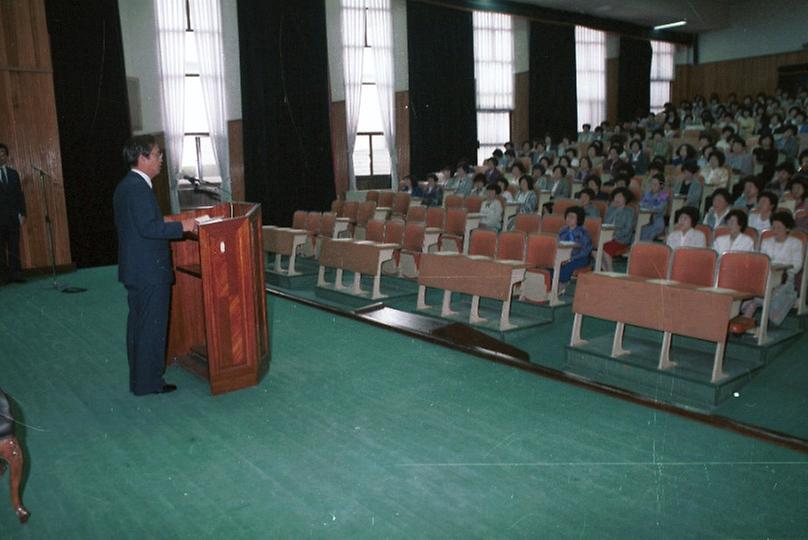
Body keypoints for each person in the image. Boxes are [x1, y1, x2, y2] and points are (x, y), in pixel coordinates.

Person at [114, 135, 196, 396]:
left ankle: (141, 379)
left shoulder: (127, 186)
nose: (161, 159)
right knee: (150, 327)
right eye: (157, 154)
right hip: (149, 270)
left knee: (140, 325)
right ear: (142, 158)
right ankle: (149, 383)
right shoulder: (137, 188)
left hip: (137, 269)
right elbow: (148, 227)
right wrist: (182, 226)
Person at [741, 211, 804, 325]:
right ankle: (746, 322)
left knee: (770, 295)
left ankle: (764, 321)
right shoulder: (766, 242)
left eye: (779, 227)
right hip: (765, 277)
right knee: (751, 291)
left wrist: (780, 267)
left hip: (785, 279)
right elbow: (760, 261)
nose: (775, 230)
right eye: (773, 227)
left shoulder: (796, 243)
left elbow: (797, 266)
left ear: (787, 228)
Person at [0, 144, 26, 284]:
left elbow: (19, 195)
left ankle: (17, 275)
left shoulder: (13, 173)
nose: (0, 156)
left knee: (14, 247)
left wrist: (22, 213)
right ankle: (3, 277)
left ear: (7, 156)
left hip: (12, 218)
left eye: (2, 153)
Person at [556, 206, 593, 290]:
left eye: (572, 217)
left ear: (578, 219)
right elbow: (558, 244)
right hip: (564, 256)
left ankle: (562, 284)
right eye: (568, 216)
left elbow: (585, 251)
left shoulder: (583, 232)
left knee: (567, 266)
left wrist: (570, 259)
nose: (569, 219)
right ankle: (552, 283)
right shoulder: (563, 230)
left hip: (580, 258)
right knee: (552, 264)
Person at [601, 187, 635, 271]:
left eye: (620, 197)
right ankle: (605, 270)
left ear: (625, 199)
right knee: (594, 249)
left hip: (621, 238)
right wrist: (615, 210)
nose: (617, 199)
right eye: (616, 197)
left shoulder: (629, 211)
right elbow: (606, 223)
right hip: (607, 236)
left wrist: (614, 236)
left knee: (605, 248)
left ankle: (610, 271)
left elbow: (628, 229)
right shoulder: (611, 209)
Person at [639, 174, 669, 241]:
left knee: (647, 235)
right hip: (645, 222)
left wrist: (648, 206)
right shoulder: (648, 194)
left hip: (657, 222)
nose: (653, 186)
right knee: (639, 232)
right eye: (652, 184)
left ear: (661, 186)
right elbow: (641, 205)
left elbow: (659, 209)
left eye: (655, 184)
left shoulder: (663, 195)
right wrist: (650, 206)